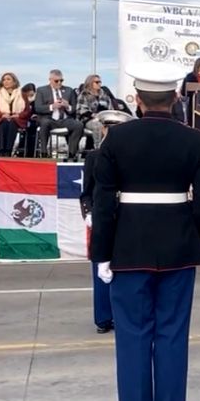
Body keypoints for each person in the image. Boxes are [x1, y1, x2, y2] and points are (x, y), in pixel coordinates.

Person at [90, 63, 200, 401]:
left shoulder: (115, 140)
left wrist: (102, 254)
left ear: (137, 100)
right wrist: (197, 241)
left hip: (128, 248)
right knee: (172, 335)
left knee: (131, 337)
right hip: (178, 248)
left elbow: (103, 203)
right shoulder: (194, 140)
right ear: (176, 98)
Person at [80, 110, 133, 334]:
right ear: (102, 129)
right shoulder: (94, 157)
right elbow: (87, 193)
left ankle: (123, 316)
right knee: (101, 267)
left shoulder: (132, 156)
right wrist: (89, 213)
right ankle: (103, 317)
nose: (110, 133)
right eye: (107, 128)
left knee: (127, 271)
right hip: (102, 217)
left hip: (126, 217)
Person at [34, 69, 84, 161]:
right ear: (50, 80)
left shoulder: (69, 90)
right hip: (49, 118)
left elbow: (74, 108)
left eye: (61, 80)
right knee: (44, 123)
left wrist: (67, 106)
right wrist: (52, 106)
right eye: (56, 81)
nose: (59, 83)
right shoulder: (41, 90)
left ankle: (72, 153)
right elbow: (37, 108)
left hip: (65, 119)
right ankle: (44, 152)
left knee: (78, 125)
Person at [0, 72, 31, 156]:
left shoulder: (22, 94)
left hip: (18, 119)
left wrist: (18, 115)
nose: (6, 81)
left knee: (12, 122)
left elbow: (27, 111)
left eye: (8, 79)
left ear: (14, 81)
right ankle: (2, 150)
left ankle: (8, 150)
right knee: (4, 122)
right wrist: (2, 115)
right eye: (4, 80)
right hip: (2, 118)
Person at [76, 74, 118, 148]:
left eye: (100, 82)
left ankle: (112, 149)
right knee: (98, 125)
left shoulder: (104, 95)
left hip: (104, 119)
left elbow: (110, 108)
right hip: (89, 119)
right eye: (97, 82)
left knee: (115, 127)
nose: (99, 84)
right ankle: (98, 148)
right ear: (90, 83)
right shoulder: (84, 94)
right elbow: (81, 110)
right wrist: (94, 115)